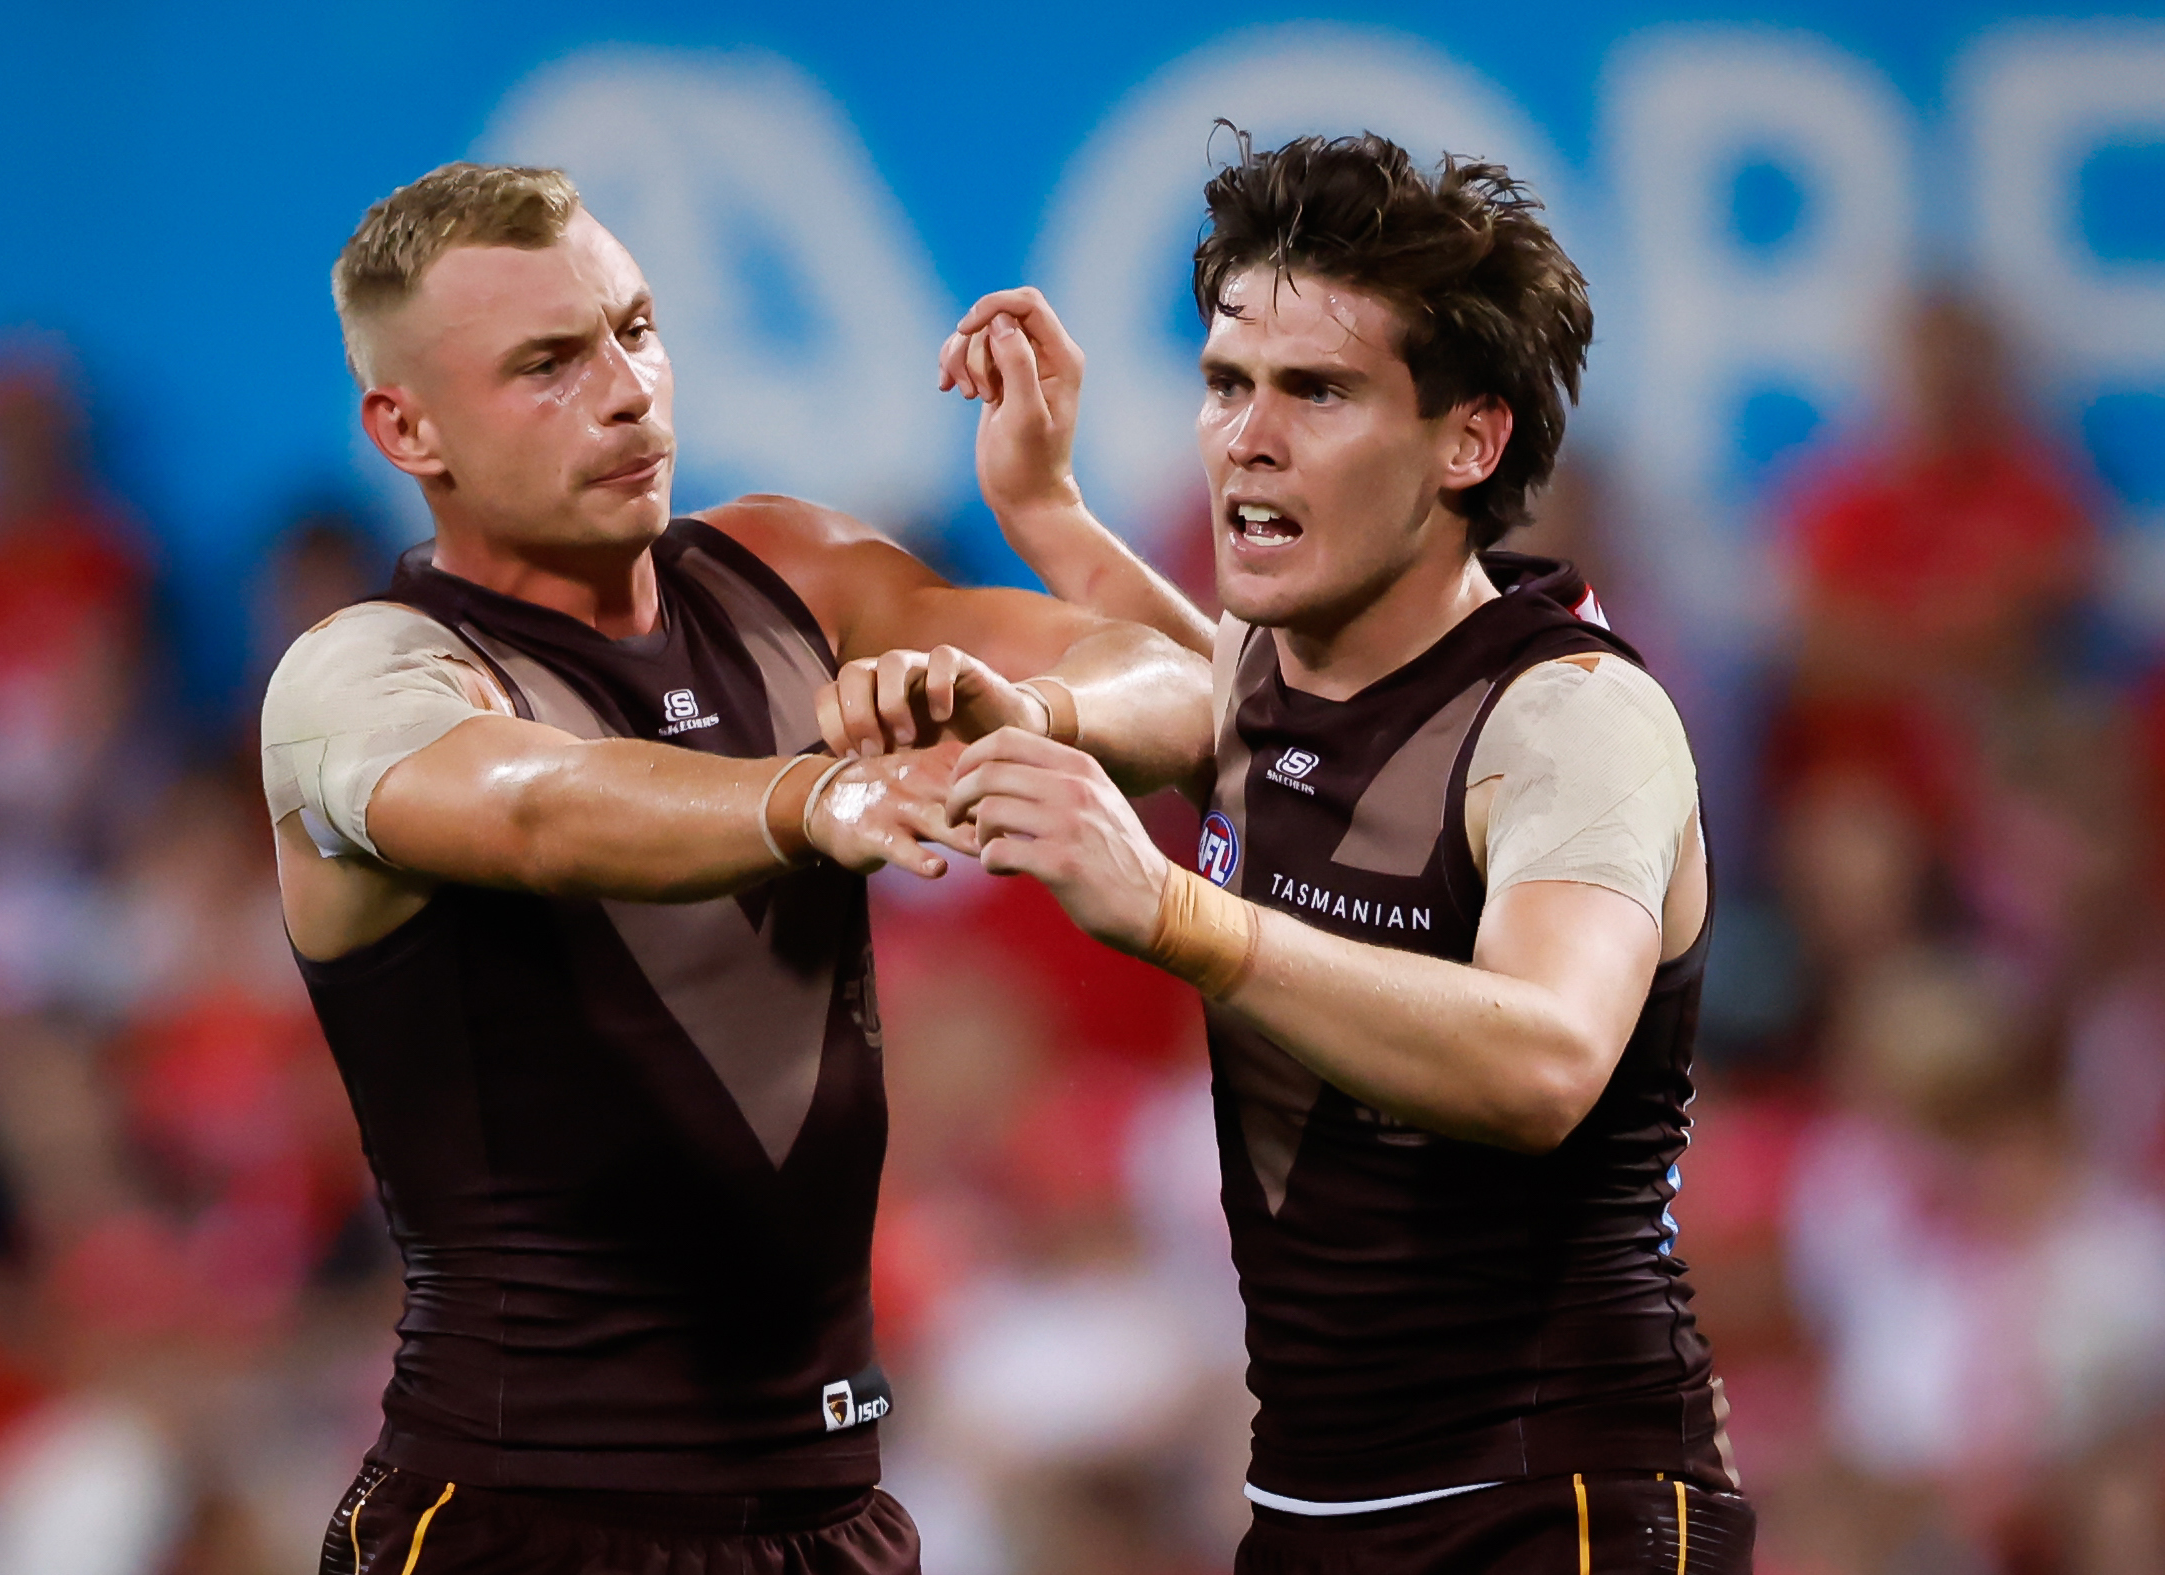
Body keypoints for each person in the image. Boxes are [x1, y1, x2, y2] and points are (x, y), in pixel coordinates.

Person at [262, 163, 1208, 1575]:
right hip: (520, 1524)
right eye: (547, 363)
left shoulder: (790, 576)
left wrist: (1033, 709)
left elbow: (1195, 693)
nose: (626, 389)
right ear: (408, 429)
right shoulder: (364, 676)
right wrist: (809, 798)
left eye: (634, 330)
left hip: (828, 1523)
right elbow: (538, 807)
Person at [914, 132, 1754, 1572]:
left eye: (1318, 391)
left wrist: (1175, 912)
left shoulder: (1573, 719)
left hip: (1558, 1511)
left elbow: (1543, 1060)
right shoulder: (1286, 675)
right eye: (1226, 385)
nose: (1248, 434)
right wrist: (1041, 507)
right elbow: (1224, 687)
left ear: (1467, 442)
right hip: (1310, 1519)